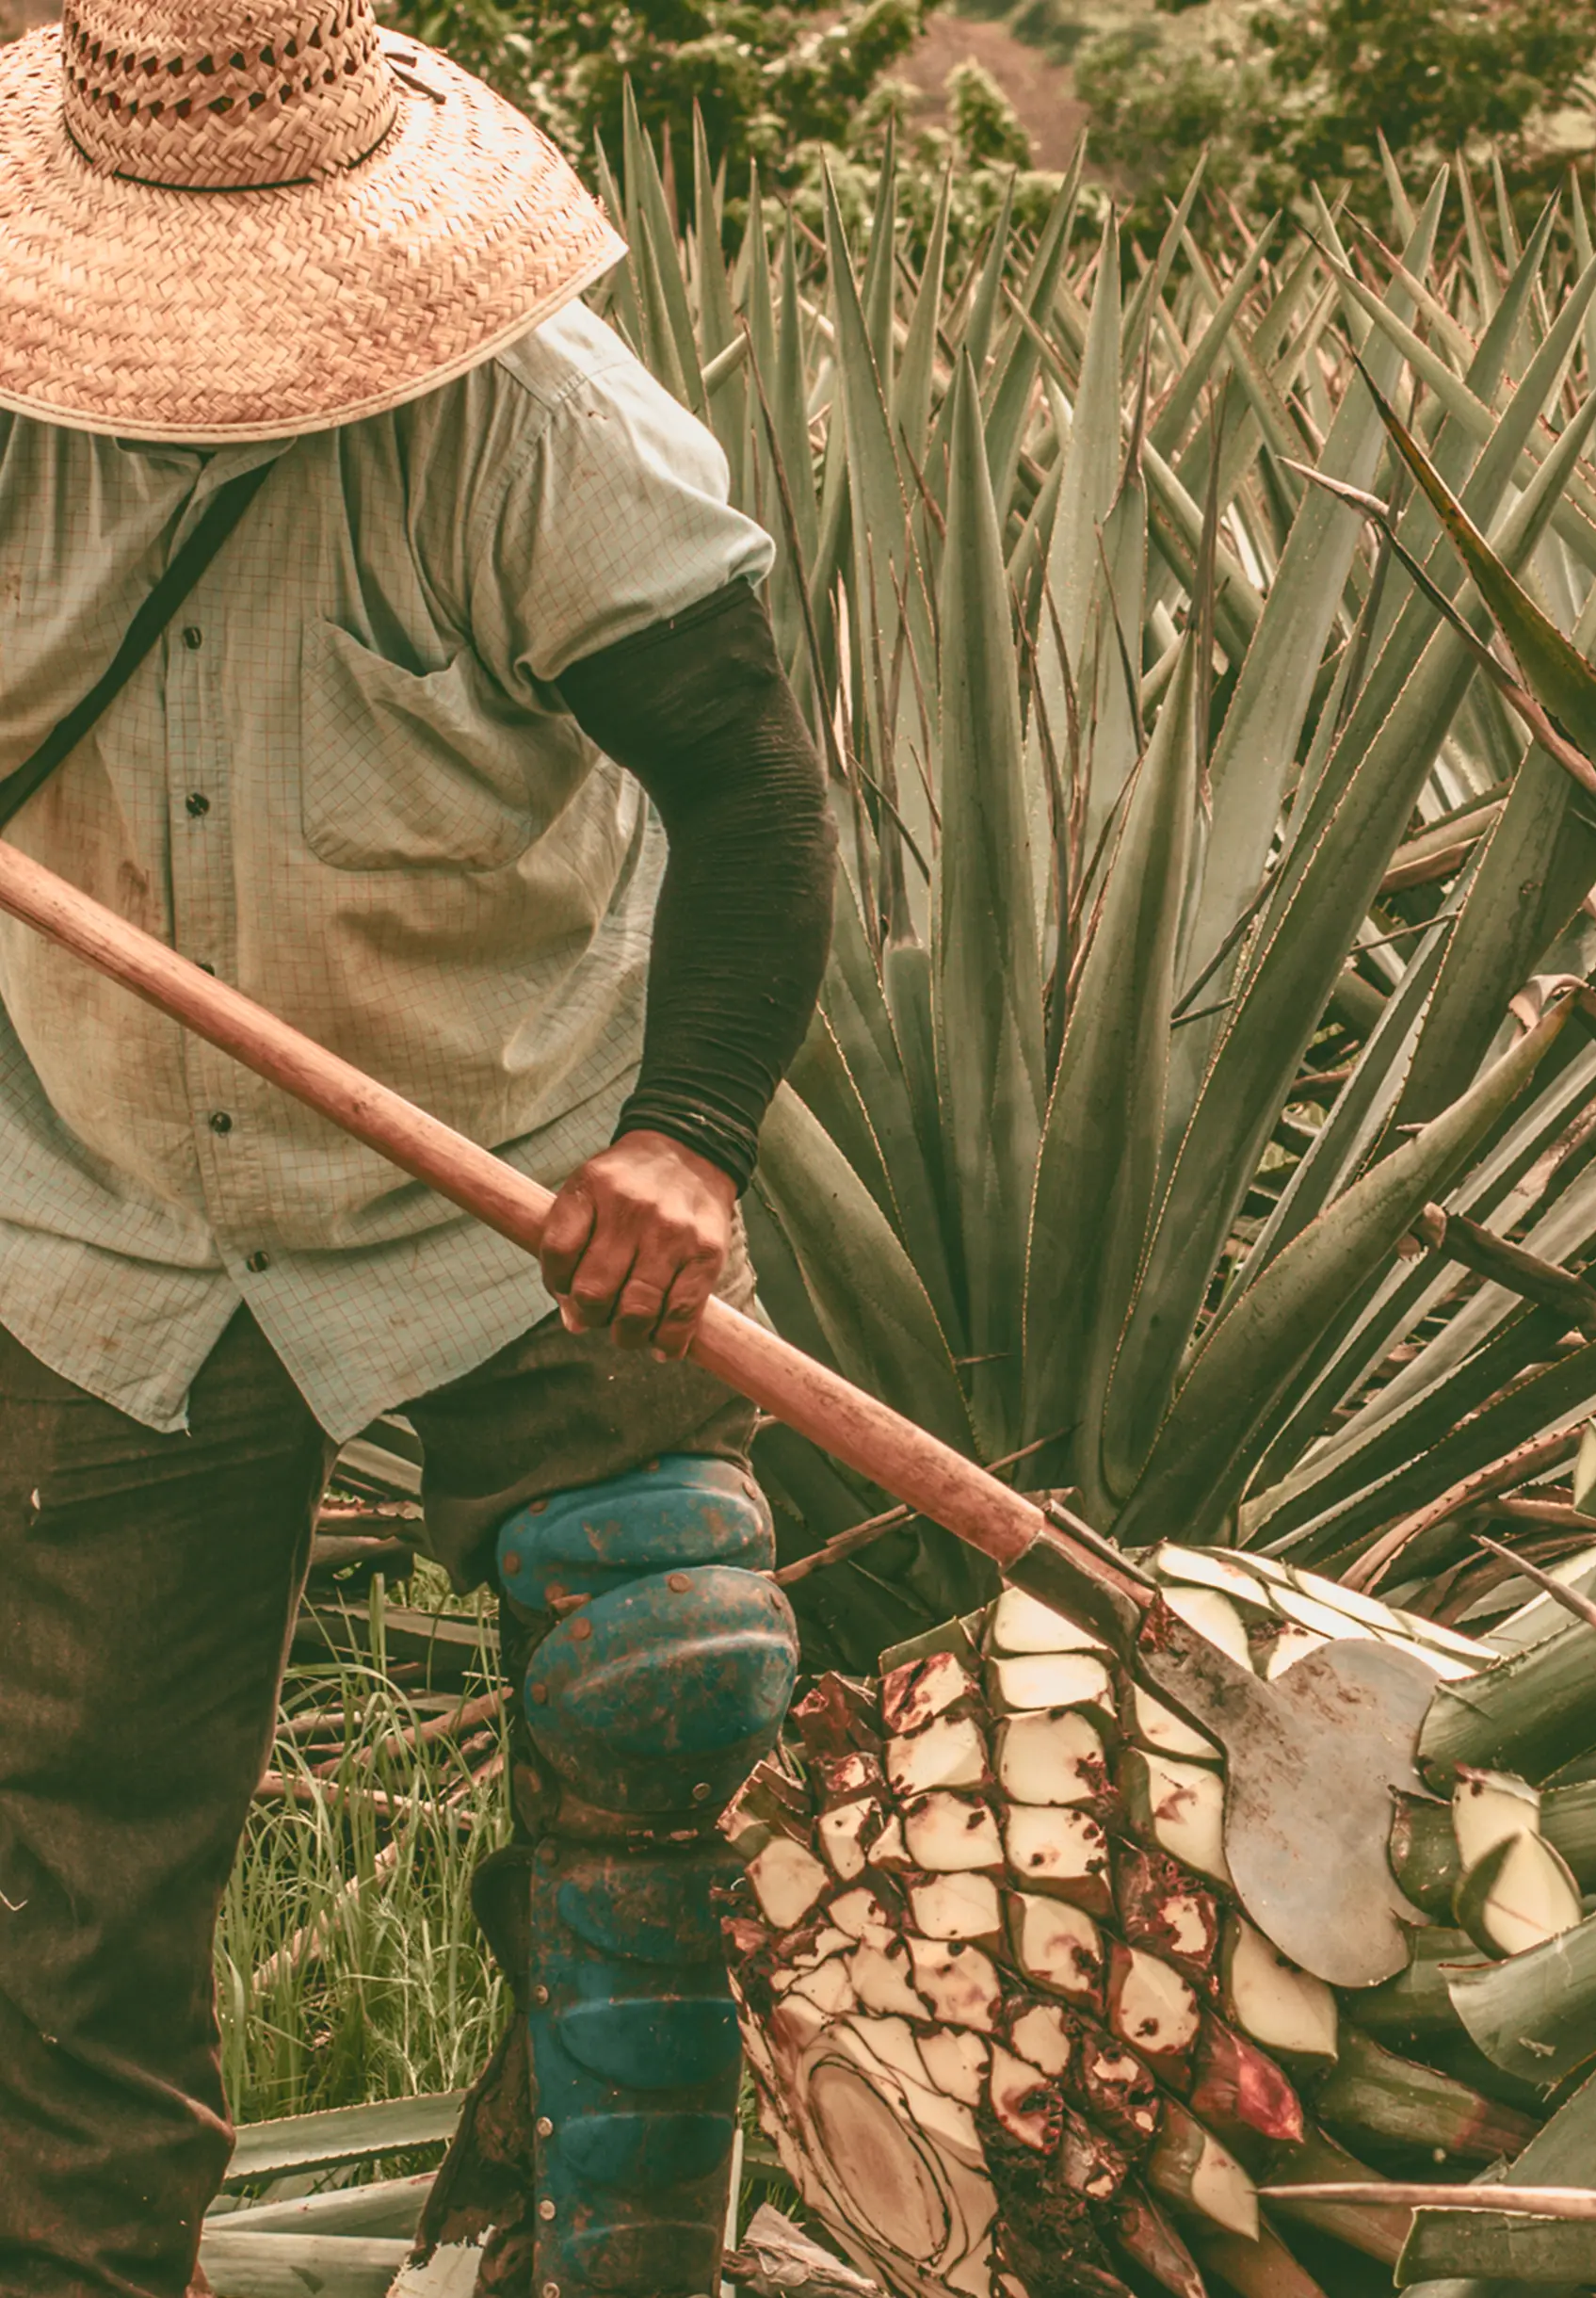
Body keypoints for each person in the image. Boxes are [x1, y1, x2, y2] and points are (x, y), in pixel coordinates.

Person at [0, 3, 835, 2291]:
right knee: (65, 1857)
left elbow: (754, 792)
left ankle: (596, 2241)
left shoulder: (535, 424)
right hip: (93, 1211)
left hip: (516, 1186)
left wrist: (684, 1140)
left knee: (670, 1681)